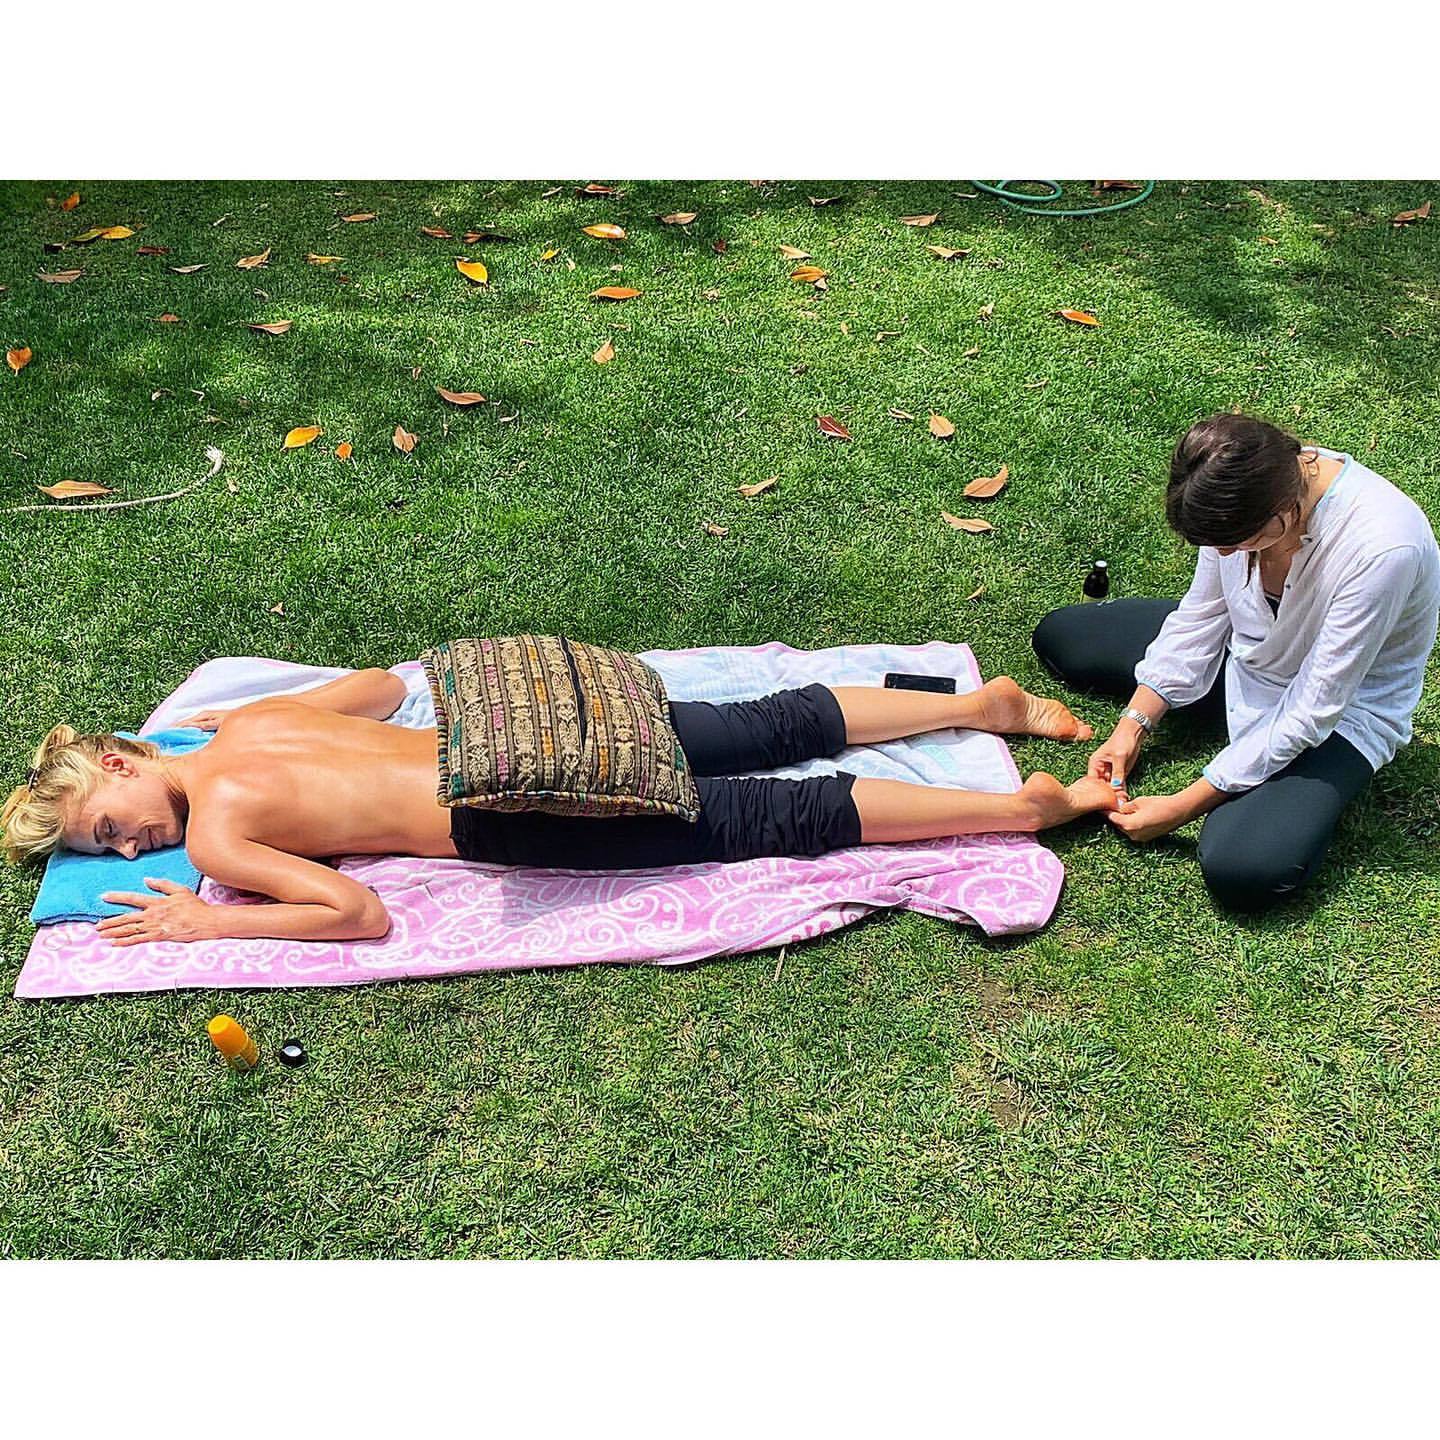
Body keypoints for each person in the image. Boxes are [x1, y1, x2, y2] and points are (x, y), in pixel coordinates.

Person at [2, 669, 1117, 946]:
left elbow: (357, 914)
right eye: (109, 848)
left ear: (119, 760)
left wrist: (208, 923)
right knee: (759, 724)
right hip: (519, 725)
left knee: (759, 817)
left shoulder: (217, 838)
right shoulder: (249, 722)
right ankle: (979, 704)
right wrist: (262, 713)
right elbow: (384, 690)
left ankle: (1014, 816)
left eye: (109, 824)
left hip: (507, 802)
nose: (130, 848)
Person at [1033, 413, 1440, 912]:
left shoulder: (1383, 547)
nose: (1224, 553)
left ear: (1281, 511)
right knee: (1065, 638)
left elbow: (1314, 707)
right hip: (1247, 654)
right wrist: (1132, 726)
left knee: (1243, 868)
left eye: (1236, 542)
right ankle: (1225, 723)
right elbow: (1204, 614)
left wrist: (1183, 805)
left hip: (1340, 712)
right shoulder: (1237, 491)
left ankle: (1308, 791)